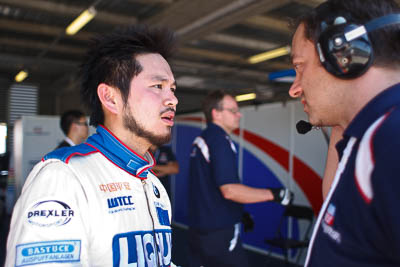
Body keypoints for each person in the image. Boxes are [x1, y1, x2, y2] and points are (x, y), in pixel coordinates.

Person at [5, 24, 178, 267]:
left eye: (172, 89)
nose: (173, 99)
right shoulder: (63, 177)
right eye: (158, 86)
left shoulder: (152, 184)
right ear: (110, 98)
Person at [289, 0, 400, 266]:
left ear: (343, 53)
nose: (294, 88)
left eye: (300, 67)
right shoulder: (368, 138)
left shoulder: (391, 139)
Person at [188, 90, 293, 267]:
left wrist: (239, 212)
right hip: (219, 232)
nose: (239, 114)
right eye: (233, 110)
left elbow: (208, 188)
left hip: (199, 229)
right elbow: (229, 190)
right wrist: (276, 194)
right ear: (216, 114)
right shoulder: (220, 141)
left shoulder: (202, 138)